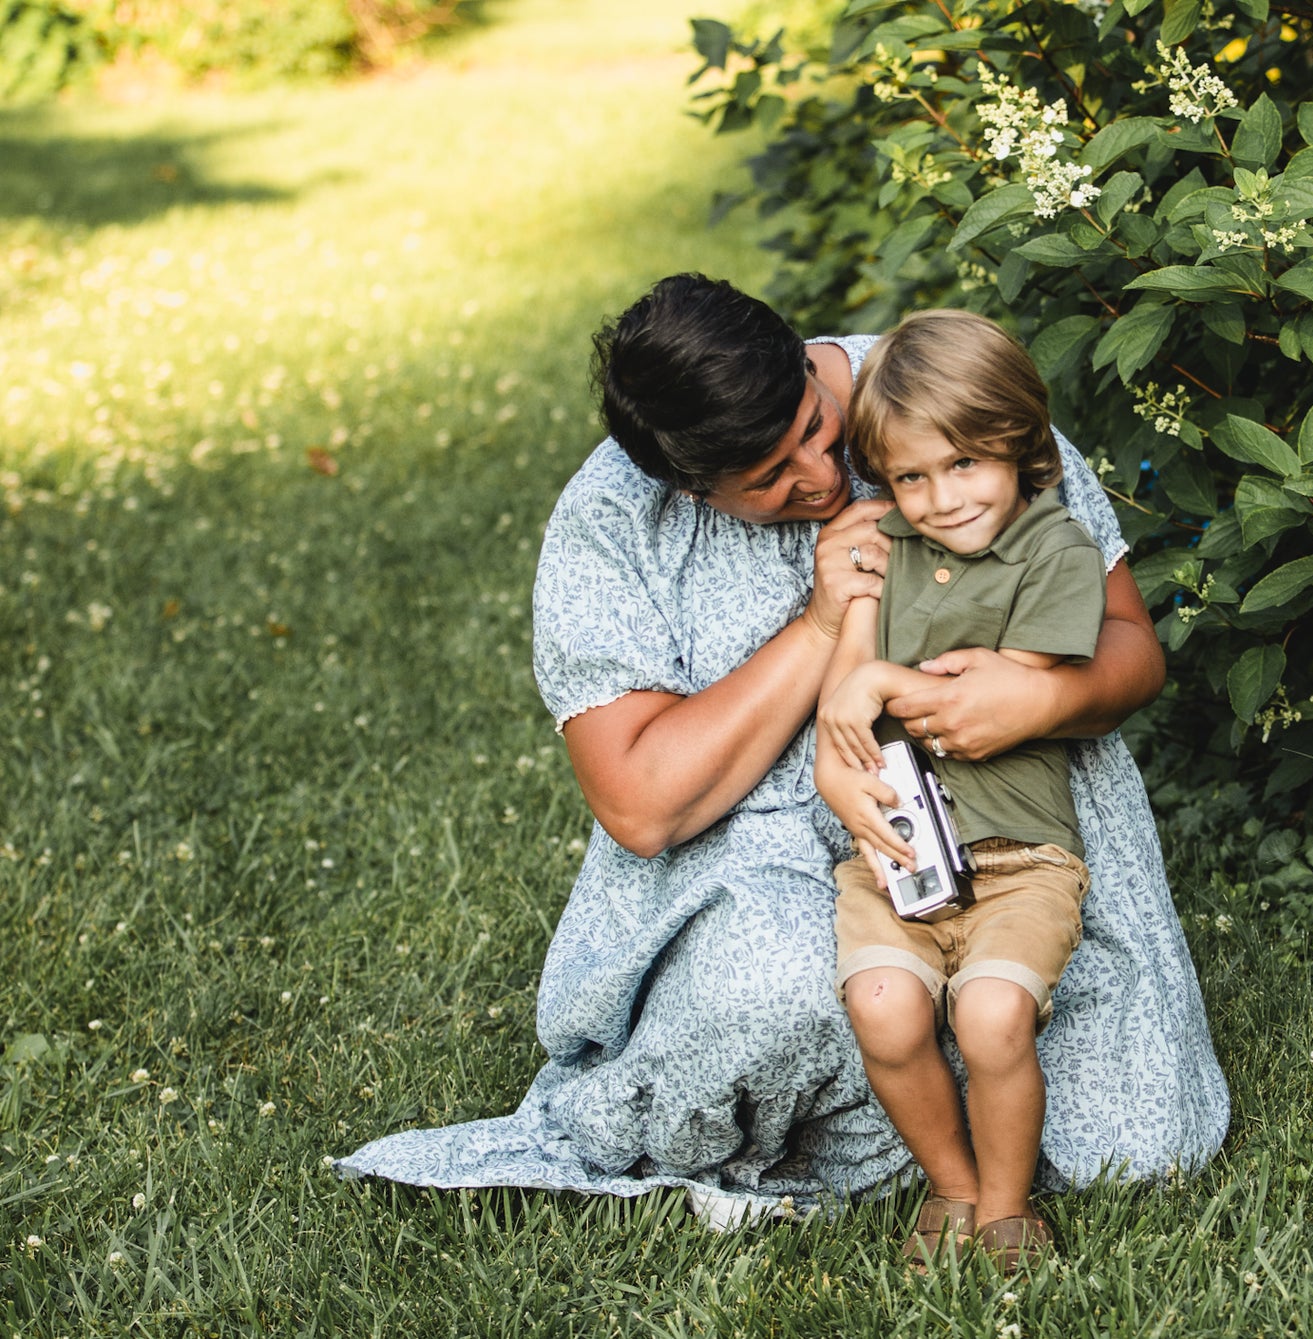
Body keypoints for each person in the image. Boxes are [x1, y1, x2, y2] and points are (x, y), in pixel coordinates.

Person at [333, 274, 1228, 1229]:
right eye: (767, 478)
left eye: (814, 426)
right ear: (690, 490)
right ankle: (923, 1119)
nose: (822, 475)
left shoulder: (943, 398)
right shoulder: (612, 522)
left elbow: (1133, 649)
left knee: (1140, 1146)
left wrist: (1046, 696)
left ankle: (968, 1084)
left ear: (805, 359)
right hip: (762, 871)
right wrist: (819, 625)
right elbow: (640, 803)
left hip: (1017, 822)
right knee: (780, 997)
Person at [816, 310, 1107, 1267]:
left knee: (990, 1016)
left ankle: (1007, 1208)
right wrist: (856, 676)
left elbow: (983, 690)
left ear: (1019, 441)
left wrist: (880, 682)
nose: (941, 499)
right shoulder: (886, 547)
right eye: (911, 477)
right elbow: (845, 699)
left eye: (966, 463)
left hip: (1022, 859)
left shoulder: (1055, 550)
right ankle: (953, 1185)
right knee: (883, 1008)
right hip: (899, 853)